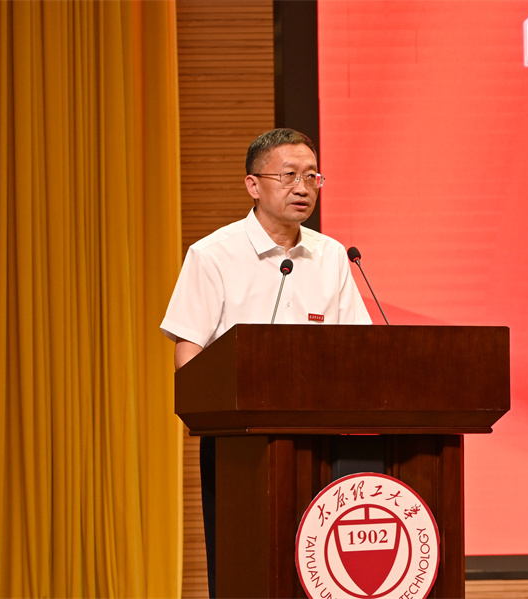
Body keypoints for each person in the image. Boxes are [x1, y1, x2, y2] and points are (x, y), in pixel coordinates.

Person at [160, 127, 371, 597]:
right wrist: (210, 415)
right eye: (289, 175)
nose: (303, 187)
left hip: (322, 440)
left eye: (312, 176)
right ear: (253, 185)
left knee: (318, 570)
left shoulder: (332, 256)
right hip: (239, 446)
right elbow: (189, 350)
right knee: (244, 568)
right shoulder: (213, 255)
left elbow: (359, 347)